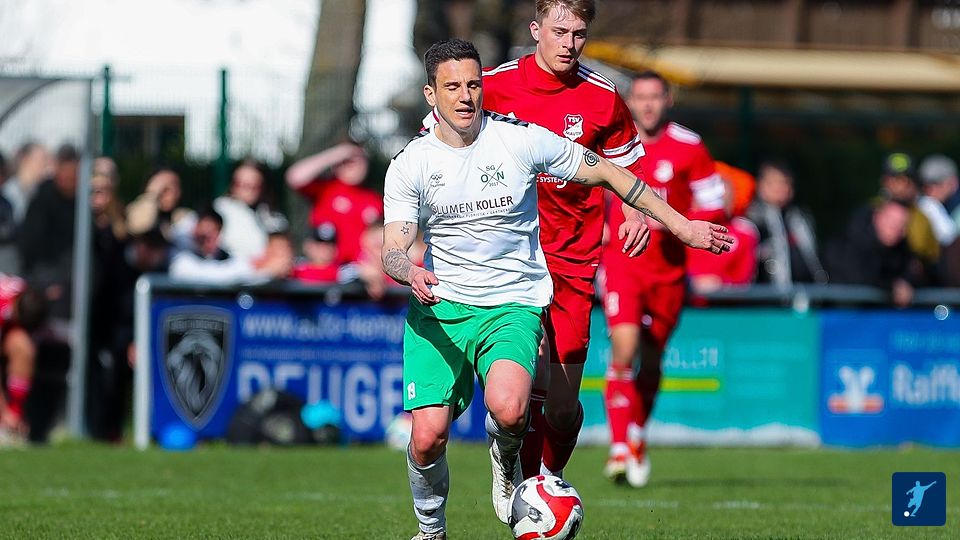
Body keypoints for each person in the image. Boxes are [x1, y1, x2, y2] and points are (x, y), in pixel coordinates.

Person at [385, 39, 731, 539]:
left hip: (511, 304)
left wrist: (681, 225)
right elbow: (393, 248)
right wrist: (408, 270)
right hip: (440, 306)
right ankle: (431, 528)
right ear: (430, 94)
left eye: (474, 85)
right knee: (427, 437)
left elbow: (608, 171)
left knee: (511, 409)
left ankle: (509, 461)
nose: (465, 96)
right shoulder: (411, 162)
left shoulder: (521, 140)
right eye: (452, 86)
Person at [477, 0, 650, 480]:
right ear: (536, 30)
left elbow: (626, 166)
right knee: (525, 374)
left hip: (574, 258)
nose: (569, 44)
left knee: (562, 404)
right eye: (559, 32)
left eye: (578, 34)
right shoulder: (494, 85)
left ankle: (545, 478)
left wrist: (634, 211)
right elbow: (437, 140)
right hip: (511, 256)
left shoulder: (602, 96)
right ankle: (529, 486)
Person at [600, 70, 728, 488]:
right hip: (622, 264)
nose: (648, 105)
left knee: (652, 357)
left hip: (668, 272)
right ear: (630, 101)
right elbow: (586, 192)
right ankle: (619, 447)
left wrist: (675, 223)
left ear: (668, 99)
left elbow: (715, 205)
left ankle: (637, 434)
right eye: (640, 97)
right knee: (625, 346)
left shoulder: (689, 146)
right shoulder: (612, 143)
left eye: (655, 96)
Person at [285, 141, 383, 264]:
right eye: (347, 160)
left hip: (359, 268)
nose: (353, 164)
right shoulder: (325, 189)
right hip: (326, 266)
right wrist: (336, 154)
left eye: (359, 159)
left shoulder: (375, 200)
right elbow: (294, 177)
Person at [824, 199, 921, 307]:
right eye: (891, 221)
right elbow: (860, 278)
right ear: (877, 217)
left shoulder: (902, 249)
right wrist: (893, 286)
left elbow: (914, 271)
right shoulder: (848, 244)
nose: (895, 228)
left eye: (901, 224)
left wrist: (907, 282)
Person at [747, 161, 827, 286]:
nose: (781, 189)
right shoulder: (752, 221)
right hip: (765, 293)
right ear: (761, 185)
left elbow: (813, 259)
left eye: (786, 183)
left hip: (805, 291)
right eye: (775, 183)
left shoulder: (799, 219)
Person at [214, 160, 289, 263]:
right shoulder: (220, 210)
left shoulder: (274, 217)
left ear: (263, 187)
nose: (244, 190)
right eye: (239, 184)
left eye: (252, 186)